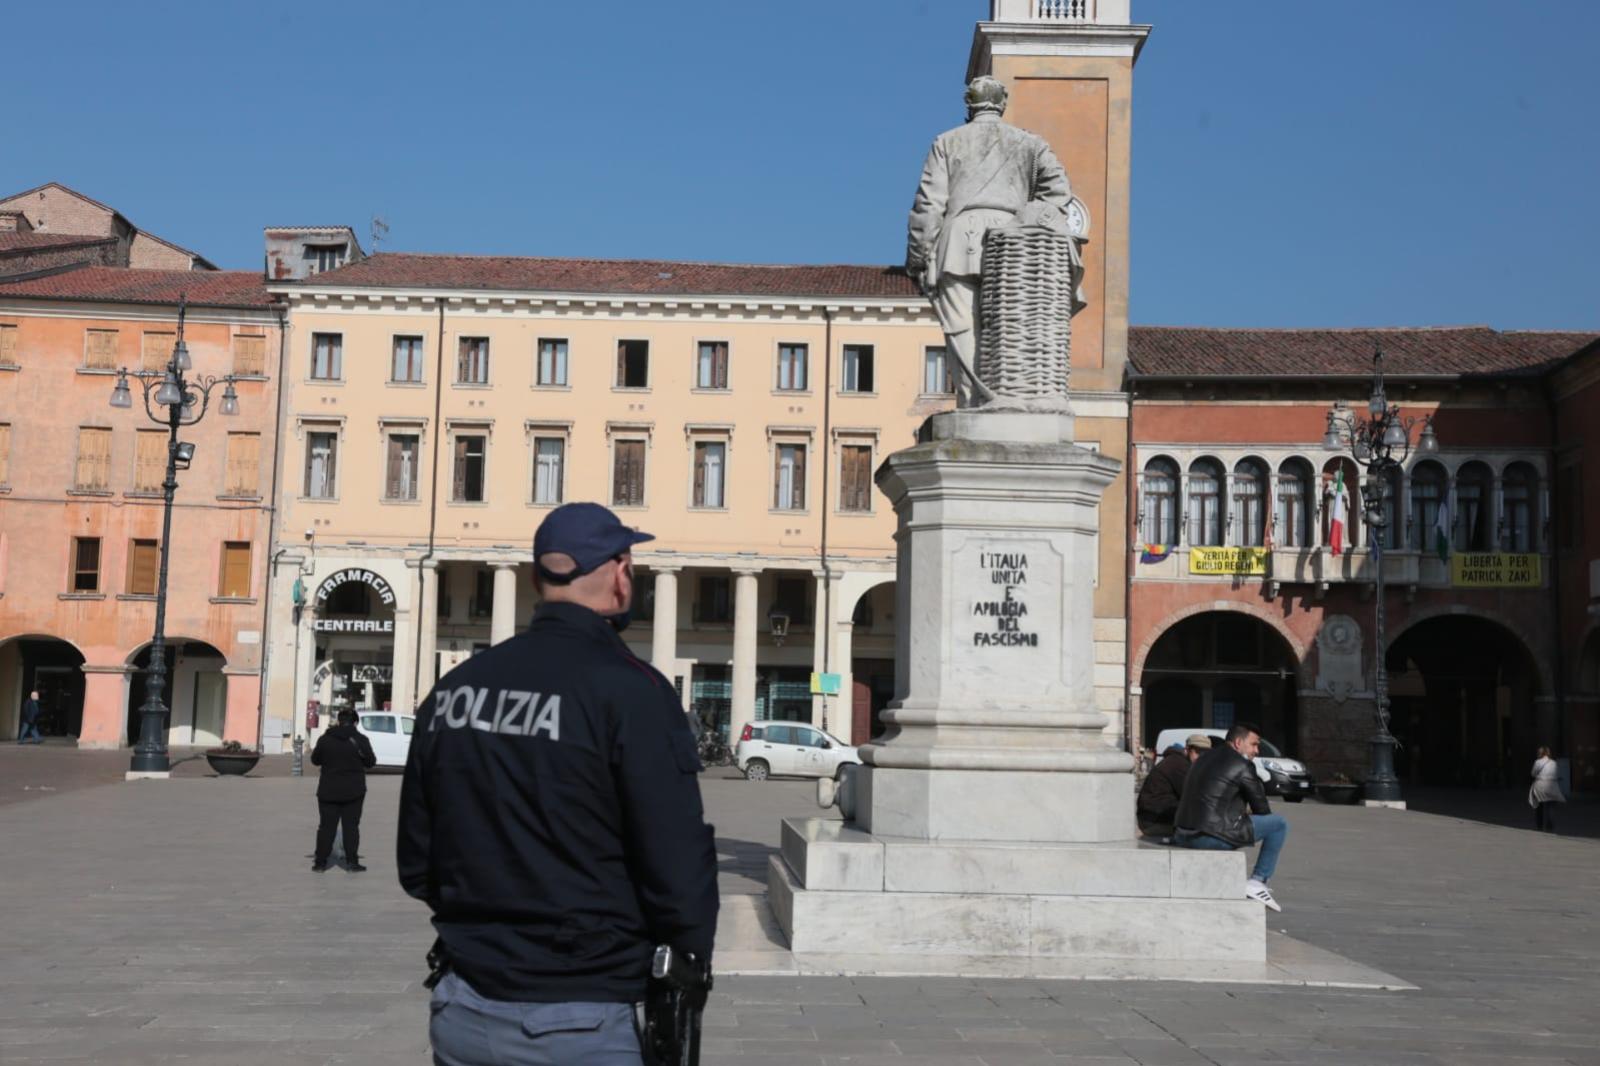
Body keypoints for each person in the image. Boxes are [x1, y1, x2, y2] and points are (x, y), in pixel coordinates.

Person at [399, 502, 719, 1066]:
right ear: (621, 573)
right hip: (583, 1015)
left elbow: (416, 863)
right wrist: (687, 970)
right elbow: (677, 865)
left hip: (463, 1007)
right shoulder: (633, 692)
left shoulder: (455, 690)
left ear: (534, 579)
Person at [906, 75, 1073, 407]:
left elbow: (929, 205)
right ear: (1002, 104)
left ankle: (973, 403)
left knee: (962, 328)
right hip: (1015, 243)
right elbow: (1059, 193)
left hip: (959, 243)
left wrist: (919, 257)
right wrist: (1027, 219)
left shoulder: (947, 141)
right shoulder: (1030, 143)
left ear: (969, 105)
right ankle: (1009, 394)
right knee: (1010, 323)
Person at [1173, 722, 1289, 913]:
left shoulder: (1203, 758)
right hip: (1207, 837)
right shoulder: (1242, 765)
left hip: (1182, 832)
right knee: (1278, 824)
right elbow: (1262, 810)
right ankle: (1258, 881)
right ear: (1237, 743)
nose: (1256, 750)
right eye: (1253, 744)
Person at [310, 708, 376, 872]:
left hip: (328, 790)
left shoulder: (325, 739)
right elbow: (370, 762)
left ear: (339, 721)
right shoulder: (361, 739)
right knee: (351, 827)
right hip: (354, 791)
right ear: (355, 722)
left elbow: (315, 760)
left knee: (326, 827)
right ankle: (352, 862)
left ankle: (320, 863)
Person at [1137, 733, 1212, 839]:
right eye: (1198, 752)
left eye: (1205, 753)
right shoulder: (1179, 765)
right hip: (1154, 821)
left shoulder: (1182, 762)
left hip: (1156, 818)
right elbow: (1193, 797)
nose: (1201, 757)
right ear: (1187, 750)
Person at [1529, 745, 1565, 833]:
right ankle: (1550, 826)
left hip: (1540, 785)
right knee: (1551, 807)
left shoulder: (1537, 762)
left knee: (1539, 807)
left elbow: (1533, 774)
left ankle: (1540, 825)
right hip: (1552, 786)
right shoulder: (1553, 763)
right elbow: (1556, 774)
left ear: (1540, 753)